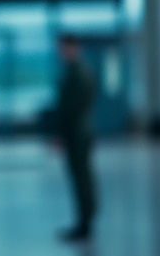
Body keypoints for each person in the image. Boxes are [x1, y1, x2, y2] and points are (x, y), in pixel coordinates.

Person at [52, 34, 97, 243]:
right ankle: (84, 221)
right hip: (80, 131)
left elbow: (69, 109)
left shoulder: (76, 74)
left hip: (76, 133)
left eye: (64, 48)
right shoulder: (80, 72)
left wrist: (60, 133)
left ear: (73, 48)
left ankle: (85, 223)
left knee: (81, 179)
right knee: (82, 178)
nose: (61, 53)